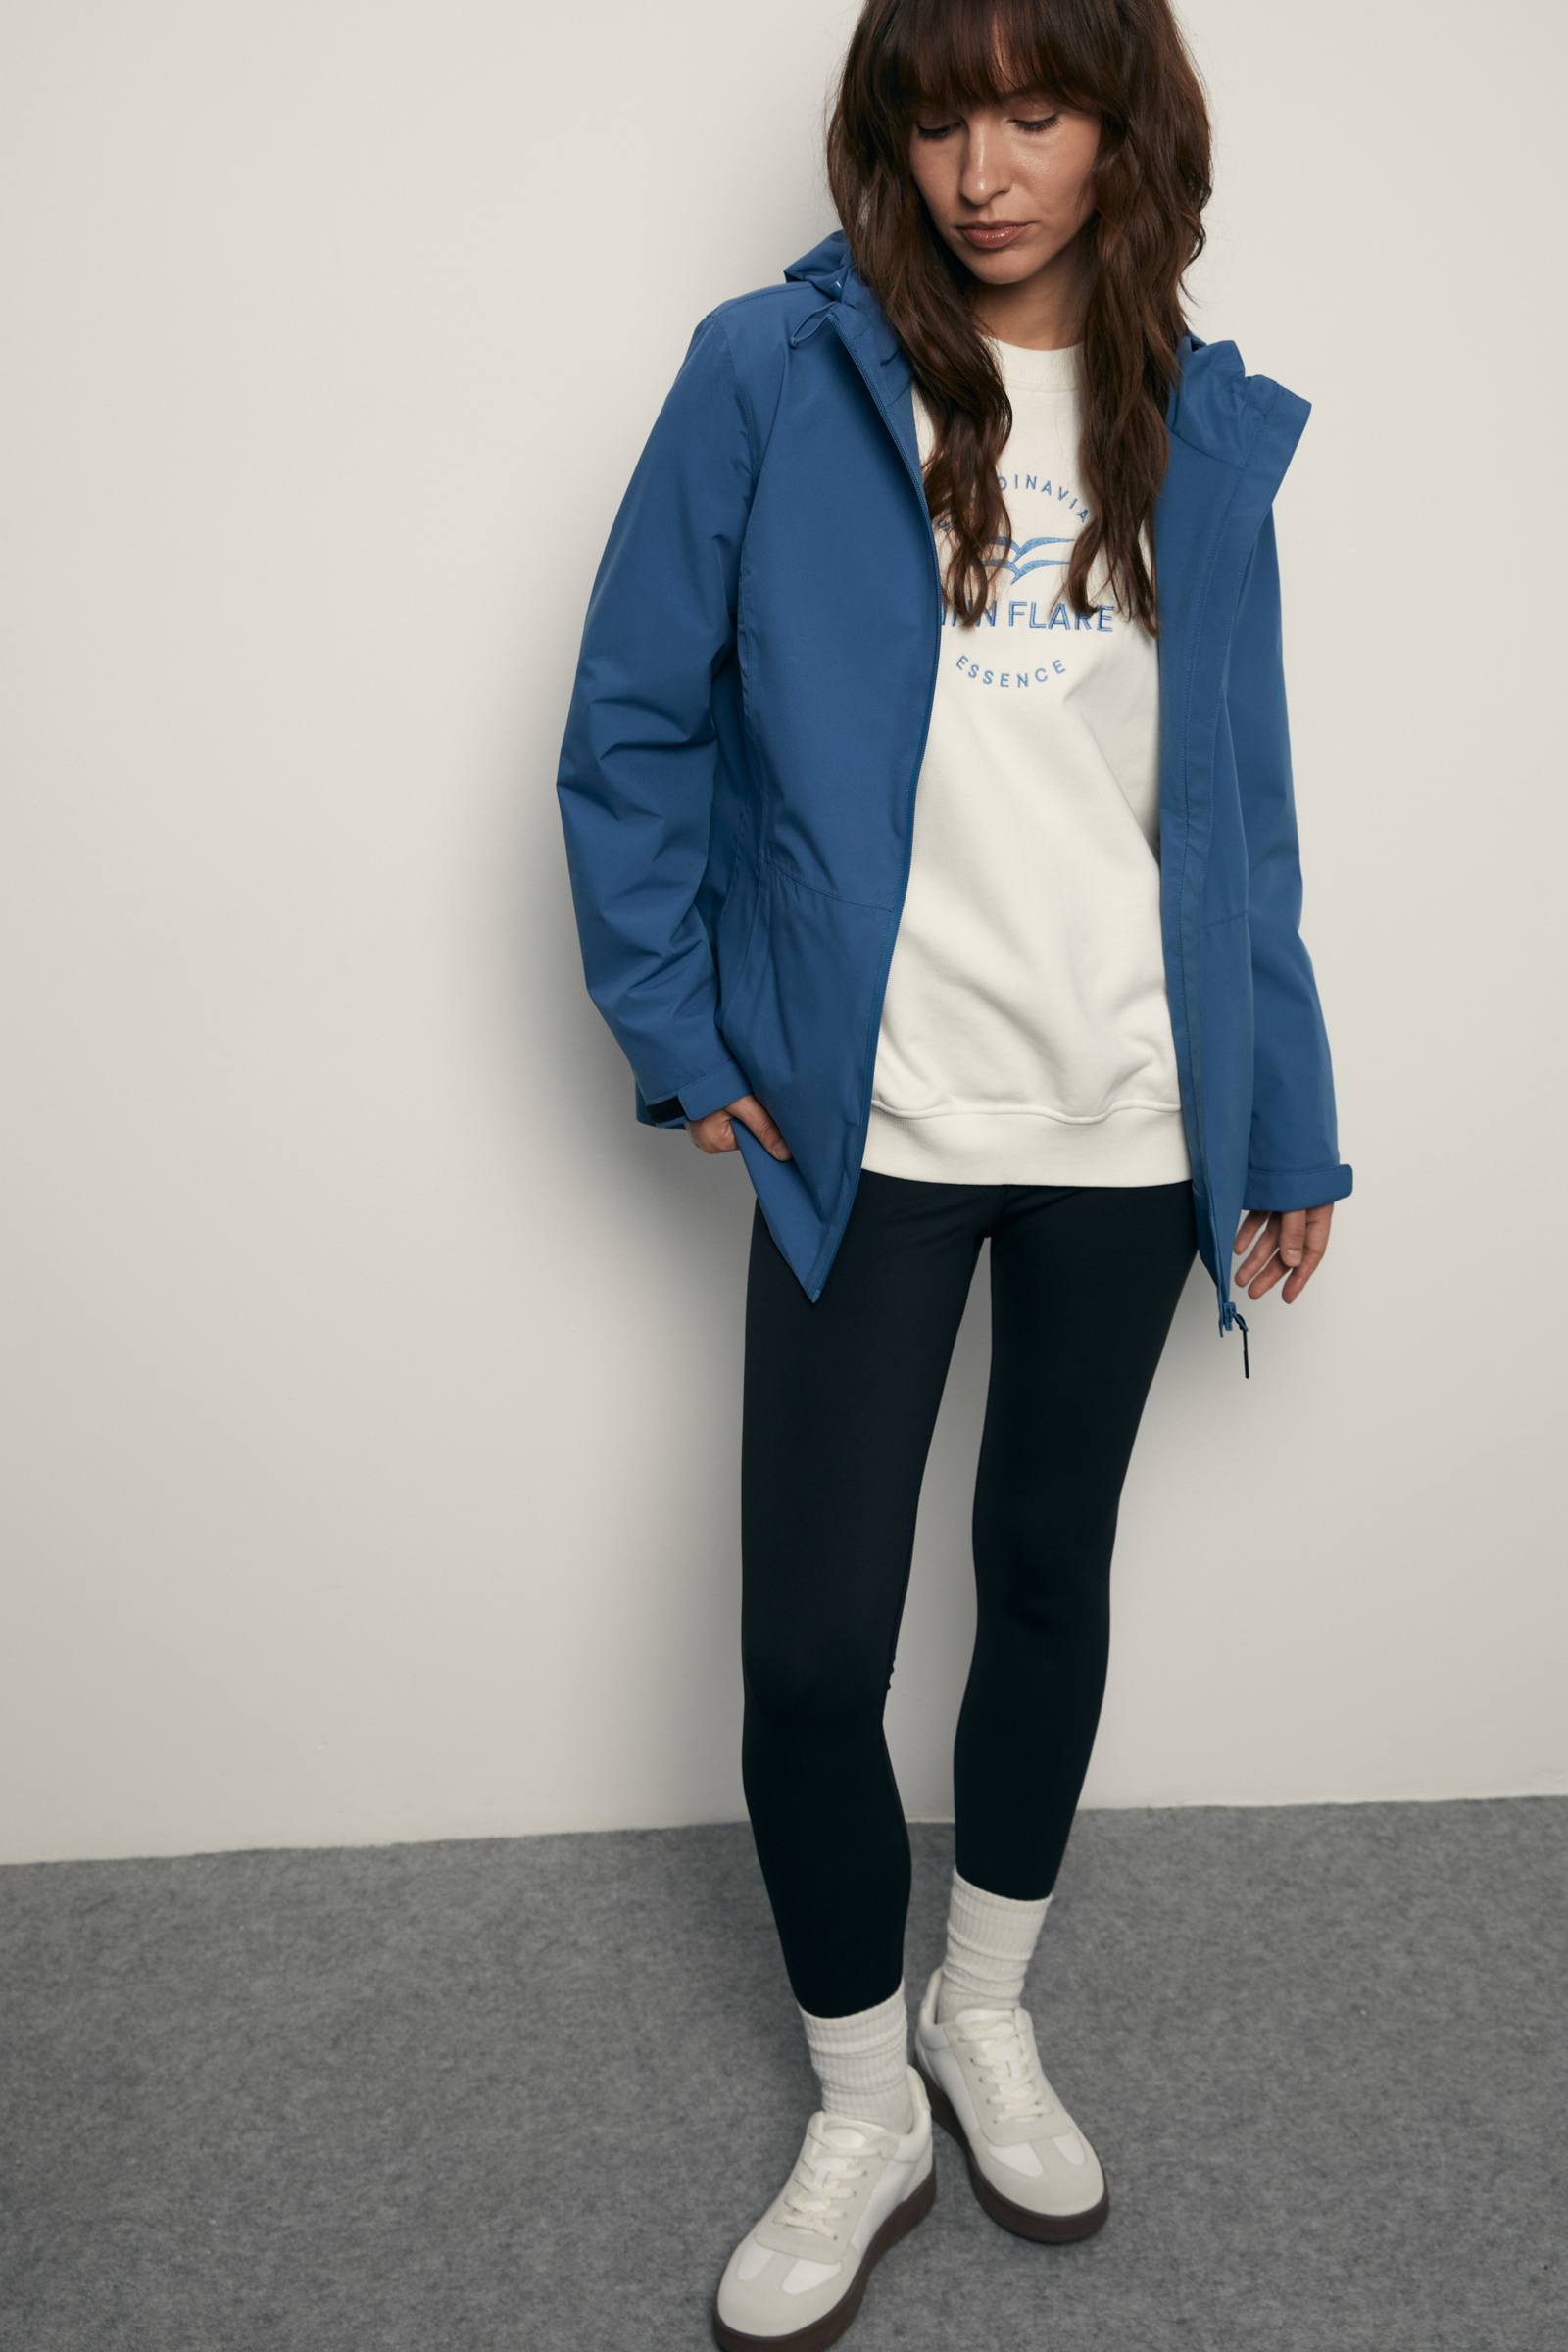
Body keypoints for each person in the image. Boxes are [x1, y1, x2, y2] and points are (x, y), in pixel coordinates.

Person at [557, 0, 1350, 2342]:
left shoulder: (1195, 425)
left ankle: (979, 2008)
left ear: (1122, 128)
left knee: (1039, 1577)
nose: (981, 167)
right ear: (882, 139)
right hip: (870, 1121)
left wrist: (1282, 1111)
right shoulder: (769, 374)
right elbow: (629, 721)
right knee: (811, 1649)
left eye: (1034, 108)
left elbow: (1238, 814)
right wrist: (677, 1026)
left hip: (1128, 1118)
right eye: (935, 115)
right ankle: (857, 2101)